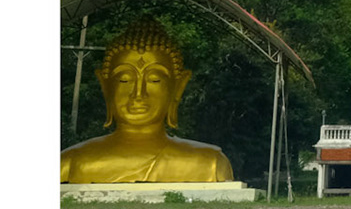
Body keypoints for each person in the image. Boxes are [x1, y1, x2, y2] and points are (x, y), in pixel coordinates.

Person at [60, 19, 234, 183]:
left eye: (154, 80)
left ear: (178, 86)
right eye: (125, 80)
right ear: (105, 86)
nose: (138, 93)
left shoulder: (209, 162)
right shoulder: (70, 161)